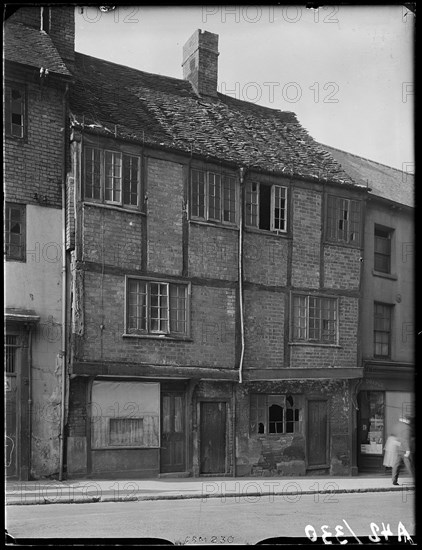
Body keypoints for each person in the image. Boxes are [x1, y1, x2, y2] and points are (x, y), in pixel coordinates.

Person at [391, 416, 414, 485]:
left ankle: (394, 480)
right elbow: (406, 440)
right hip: (404, 450)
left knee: (396, 465)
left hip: (399, 449)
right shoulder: (407, 428)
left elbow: (395, 438)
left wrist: (398, 446)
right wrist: (407, 450)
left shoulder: (397, 427)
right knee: (409, 466)